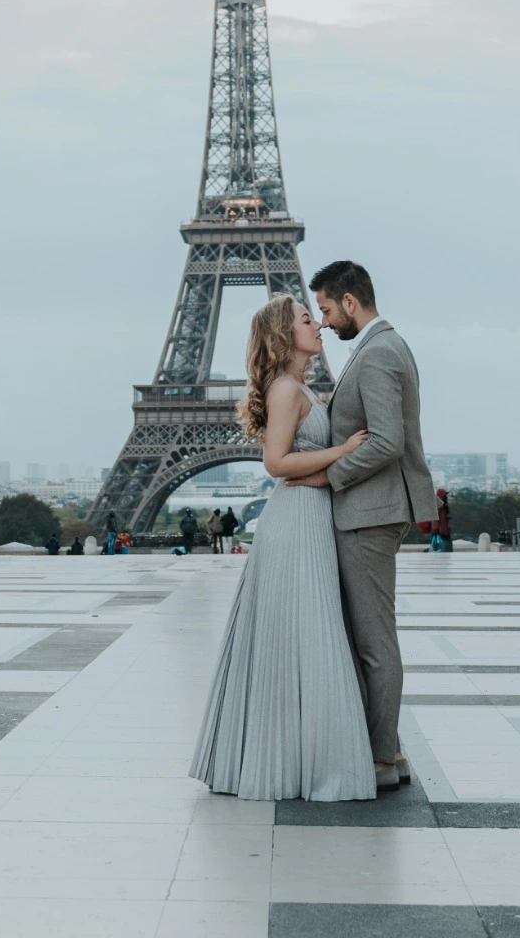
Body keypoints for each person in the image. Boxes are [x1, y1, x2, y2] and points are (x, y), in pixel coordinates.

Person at [191, 294, 378, 801]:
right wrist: (342, 451)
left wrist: (327, 470)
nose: (317, 325)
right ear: (282, 334)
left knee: (304, 634)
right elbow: (276, 463)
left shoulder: (300, 387)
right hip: (294, 524)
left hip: (307, 519)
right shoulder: (283, 389)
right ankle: (305, 762)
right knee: (307, 631)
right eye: (304, 319)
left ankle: (294, 757)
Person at [302, 260, 437, 790]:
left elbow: (387, 440)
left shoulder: (379, 352)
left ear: (351, 302)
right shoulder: (380, 346)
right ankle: (391, 749)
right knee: (371, 637)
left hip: (369, 513)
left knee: (373, 641)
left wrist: (328, 475)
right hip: (373, 511)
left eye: (329, 310)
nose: (327, 322)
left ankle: (381, 757)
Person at [430, 487, 453, 552]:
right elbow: (435, 519)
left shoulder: (442, 506)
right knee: (443, 550)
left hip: (443, 532)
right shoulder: (439, 507)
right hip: (440, 533)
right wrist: (436, 530)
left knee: (443, 549)